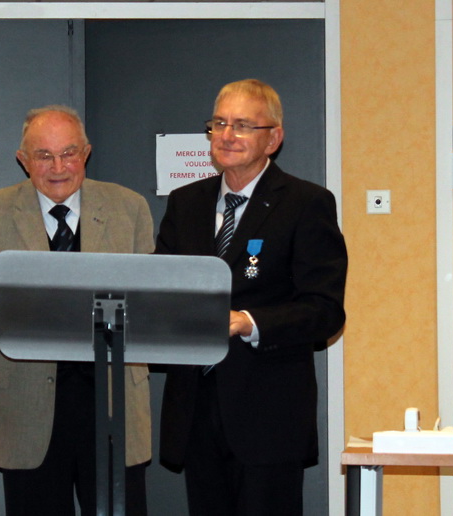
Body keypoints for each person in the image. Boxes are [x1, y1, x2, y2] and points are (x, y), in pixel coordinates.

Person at [156, 79, 347, 516]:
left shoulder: (306, 203)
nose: (226, 135)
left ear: (273, 138)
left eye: (242, 125)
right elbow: (162, 285)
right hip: (195, 411)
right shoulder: (186, 203)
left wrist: (249, 321)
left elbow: (324, 310)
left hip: (269, 416)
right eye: (219, 123)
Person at [0, 105, 154, 516]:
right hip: (28, 407)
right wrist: (26, 309)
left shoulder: (129, 208)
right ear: (22, 160)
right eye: (43, 155)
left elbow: (151, 301)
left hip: (114, 405)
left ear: (87, 153)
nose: (58, 166)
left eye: (69, 153)